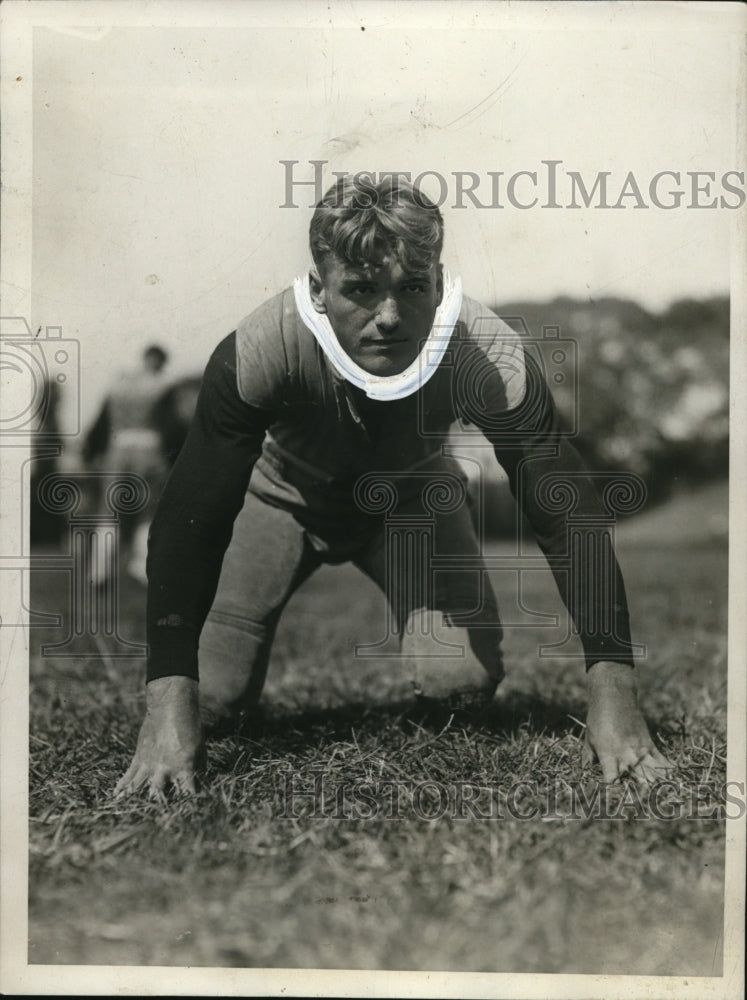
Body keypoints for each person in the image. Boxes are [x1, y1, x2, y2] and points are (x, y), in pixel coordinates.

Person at [115, 175, 670, 798]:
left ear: (438, 282)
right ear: (319, 290)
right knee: (212, 699)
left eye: (411, 288)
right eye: (360, 289)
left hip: (412, 500)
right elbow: (193, 514)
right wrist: (167, 699)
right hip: (281, 497)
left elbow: (568, 515)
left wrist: (614, 689)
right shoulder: (262, 345)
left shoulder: (488, 354)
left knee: (459, 686)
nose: (388, 317)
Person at [82, 345, 171, 584]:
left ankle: (99, 571)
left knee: (108, 511)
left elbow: (101, 420)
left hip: (118, 448)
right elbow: (172, 424)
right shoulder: (162, 386)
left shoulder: (119, 383)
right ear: (161, 362)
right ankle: (141, 567)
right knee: (147, 512)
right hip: (149, 449)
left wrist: (91, 452)